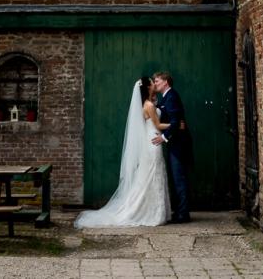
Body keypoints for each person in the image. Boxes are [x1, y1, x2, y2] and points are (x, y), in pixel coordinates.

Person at [74, 78, 171, 227]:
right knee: (153, 175)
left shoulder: (148, 103)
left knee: (151, 176)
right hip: (153, 141)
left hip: (150, 140)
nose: (154, 84)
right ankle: (152, 213)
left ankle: (153, 210)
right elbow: (157, 125)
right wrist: (175, 125)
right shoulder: (149, 105)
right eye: (152, 82)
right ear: (146, 87)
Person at [150, 71, 190, 223]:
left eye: (158, 81)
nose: (155, 83)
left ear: (166, 82)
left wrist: (164, 137)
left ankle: (183, 214)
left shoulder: (172, 96)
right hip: (174, 144)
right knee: (177, 177)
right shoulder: (165, 98)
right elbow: (168, 117)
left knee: (179, 178)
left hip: (178, 144)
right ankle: (180, 211)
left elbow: (175, 121)